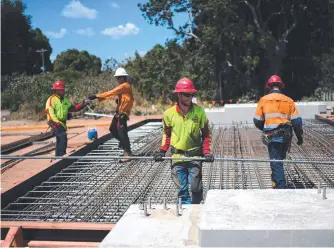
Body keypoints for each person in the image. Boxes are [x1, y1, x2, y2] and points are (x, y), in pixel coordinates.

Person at [153, 77, 214, 204]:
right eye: (186, 94)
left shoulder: (199, 112)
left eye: (191, 94)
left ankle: (196, 209)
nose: (189, 97)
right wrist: (162, 150)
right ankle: (186, 215)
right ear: (179, 95)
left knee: (196, 188)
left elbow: (206, 134)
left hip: (195, 156)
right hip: (177, 157)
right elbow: (167, 134)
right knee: (182, 190)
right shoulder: (169, 114)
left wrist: (207, 152)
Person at [253, 75, 304, 189]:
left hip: (272, 136)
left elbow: (257, 120)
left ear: (269, 87)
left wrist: (265, 128)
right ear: (281, 86)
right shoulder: (289, 100)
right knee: (279, 160)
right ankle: (275, 182)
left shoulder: (263, 100)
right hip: (286, 136)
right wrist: (299, 136)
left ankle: (281, 188)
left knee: (276, 163)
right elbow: (297, 122)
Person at [88, 68, 134, 163]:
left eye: (118, 78)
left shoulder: (124, 86)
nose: (117, 80)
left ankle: (128, 153)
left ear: (122, 78)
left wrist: (96, 96)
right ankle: (124, 145)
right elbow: (122, 97)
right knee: (113, 129)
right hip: (119, 113)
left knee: (122, 133)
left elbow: (111, 92)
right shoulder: (123, 87)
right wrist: (119, 100)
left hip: (122, 114)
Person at [45, 80, 88, 157]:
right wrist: (57, 123)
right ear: (56, 90)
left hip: (62, 123)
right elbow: (50, 112)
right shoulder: (51, 100)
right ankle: (62, 156)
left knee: (60, 139)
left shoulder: (64, 100)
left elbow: (73, 108)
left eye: (63, 89)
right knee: (62, 138)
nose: (63, 91)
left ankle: (58, 157)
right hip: (54, 122)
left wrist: (83, 104)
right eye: (61, 90)